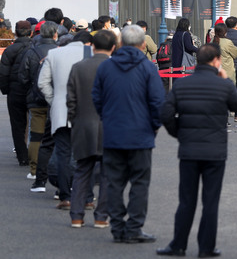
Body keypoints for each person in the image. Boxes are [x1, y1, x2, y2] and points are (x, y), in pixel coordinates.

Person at [157, 43, 237, 258]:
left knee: (186, 199)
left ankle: (178, 244)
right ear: (216, 61)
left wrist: (180, 133)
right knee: (210, 201)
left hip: (189, 150)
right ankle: (206, 247)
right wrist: (225, 80)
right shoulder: (222, 85)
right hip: (215, 151)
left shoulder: (182, 84)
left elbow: (166, 114)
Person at [92, 25, 164, 244]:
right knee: (140, 183)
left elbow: (97, 98)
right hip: (141, 135)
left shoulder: (106, 67)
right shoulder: (148, 68)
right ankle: (134, 227)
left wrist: (108, 118)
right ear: (143, 44)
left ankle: (117, 225)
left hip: (113, 134)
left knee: (114, 182)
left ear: (120, 43)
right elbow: (158, 103)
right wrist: (153, 126)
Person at [67, 30, 117, 229]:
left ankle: (77, 216)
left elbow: (70, 100)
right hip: (110, 127)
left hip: (83, 125)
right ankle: (101, 217)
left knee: (82, 171)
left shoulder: (78, 67)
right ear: (113, 47)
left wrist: (75, 120)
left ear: (92, 46)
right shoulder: (115, 68)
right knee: (107, 174)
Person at [38, 30, 93, 210]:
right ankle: (87, 196)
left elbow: (42, 83)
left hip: (61, 111)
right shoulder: (92, 54)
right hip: (86, 111)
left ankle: (65, 195)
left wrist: (53, 99)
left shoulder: (54, 54)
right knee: (86, 154)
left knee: (62, 153)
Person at [18, 21, 58, 192]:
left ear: (40, 33)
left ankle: (35, 171)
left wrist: (32, 89)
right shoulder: (60, 51)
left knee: (36, 136)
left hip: (36, 100)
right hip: (56, 101)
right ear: (55, 34)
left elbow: (23, 77)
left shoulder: (31, 52)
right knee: (57, 139)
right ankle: (56, 172)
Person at [0, 21, 32, 169]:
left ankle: (22, 157)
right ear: (30, 32)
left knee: (18, 125)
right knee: (38, 122)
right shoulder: (35, 48)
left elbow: (3, 73)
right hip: (33, 90)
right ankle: (37, 154)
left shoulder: (10, 50)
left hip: (15, 91)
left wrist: (6, 90)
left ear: (16, 33)